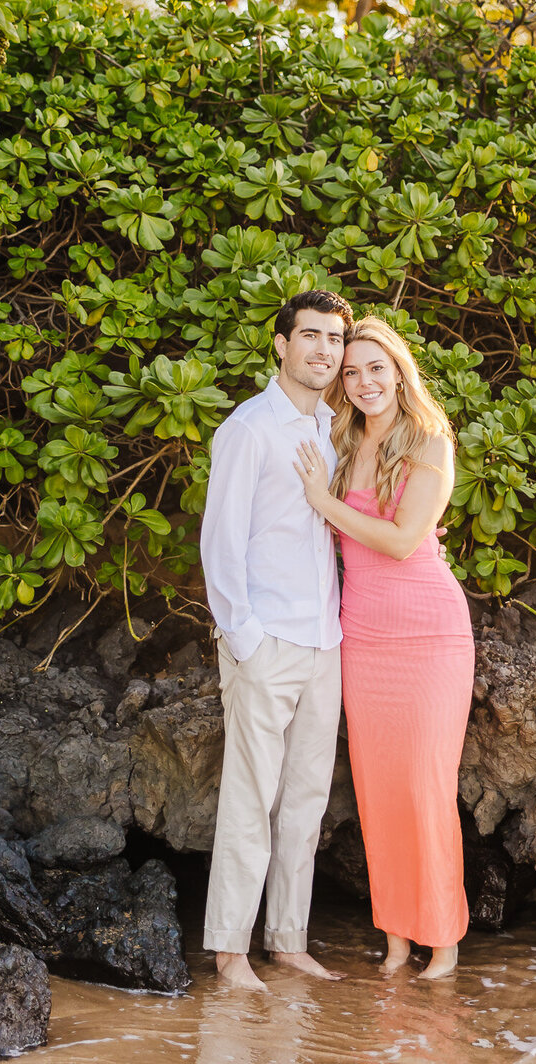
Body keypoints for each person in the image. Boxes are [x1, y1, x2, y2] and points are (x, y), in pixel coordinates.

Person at [292, 315, 474, 981]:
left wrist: (321, 499)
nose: (364, 381)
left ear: (399, 370)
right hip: (362, 638)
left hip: (428, 635)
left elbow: (400, 541)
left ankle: (443, 940)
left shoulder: (429, 442)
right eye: (352, 371)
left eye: (376, 367)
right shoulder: (338, 438)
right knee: (378, 791)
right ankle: (397, 936)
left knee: (425, 788)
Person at [200, 287, 354, 990]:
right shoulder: (249, 428)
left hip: (326, 642)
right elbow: (220, 544)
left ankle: (287, 940)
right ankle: (231, 952)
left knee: (304, 803)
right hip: (267, 644)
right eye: (312, 336)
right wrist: (245, 638)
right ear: (281, 343)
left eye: (335, 339)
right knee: (250, 800)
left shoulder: (331, 428)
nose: (325, 350)